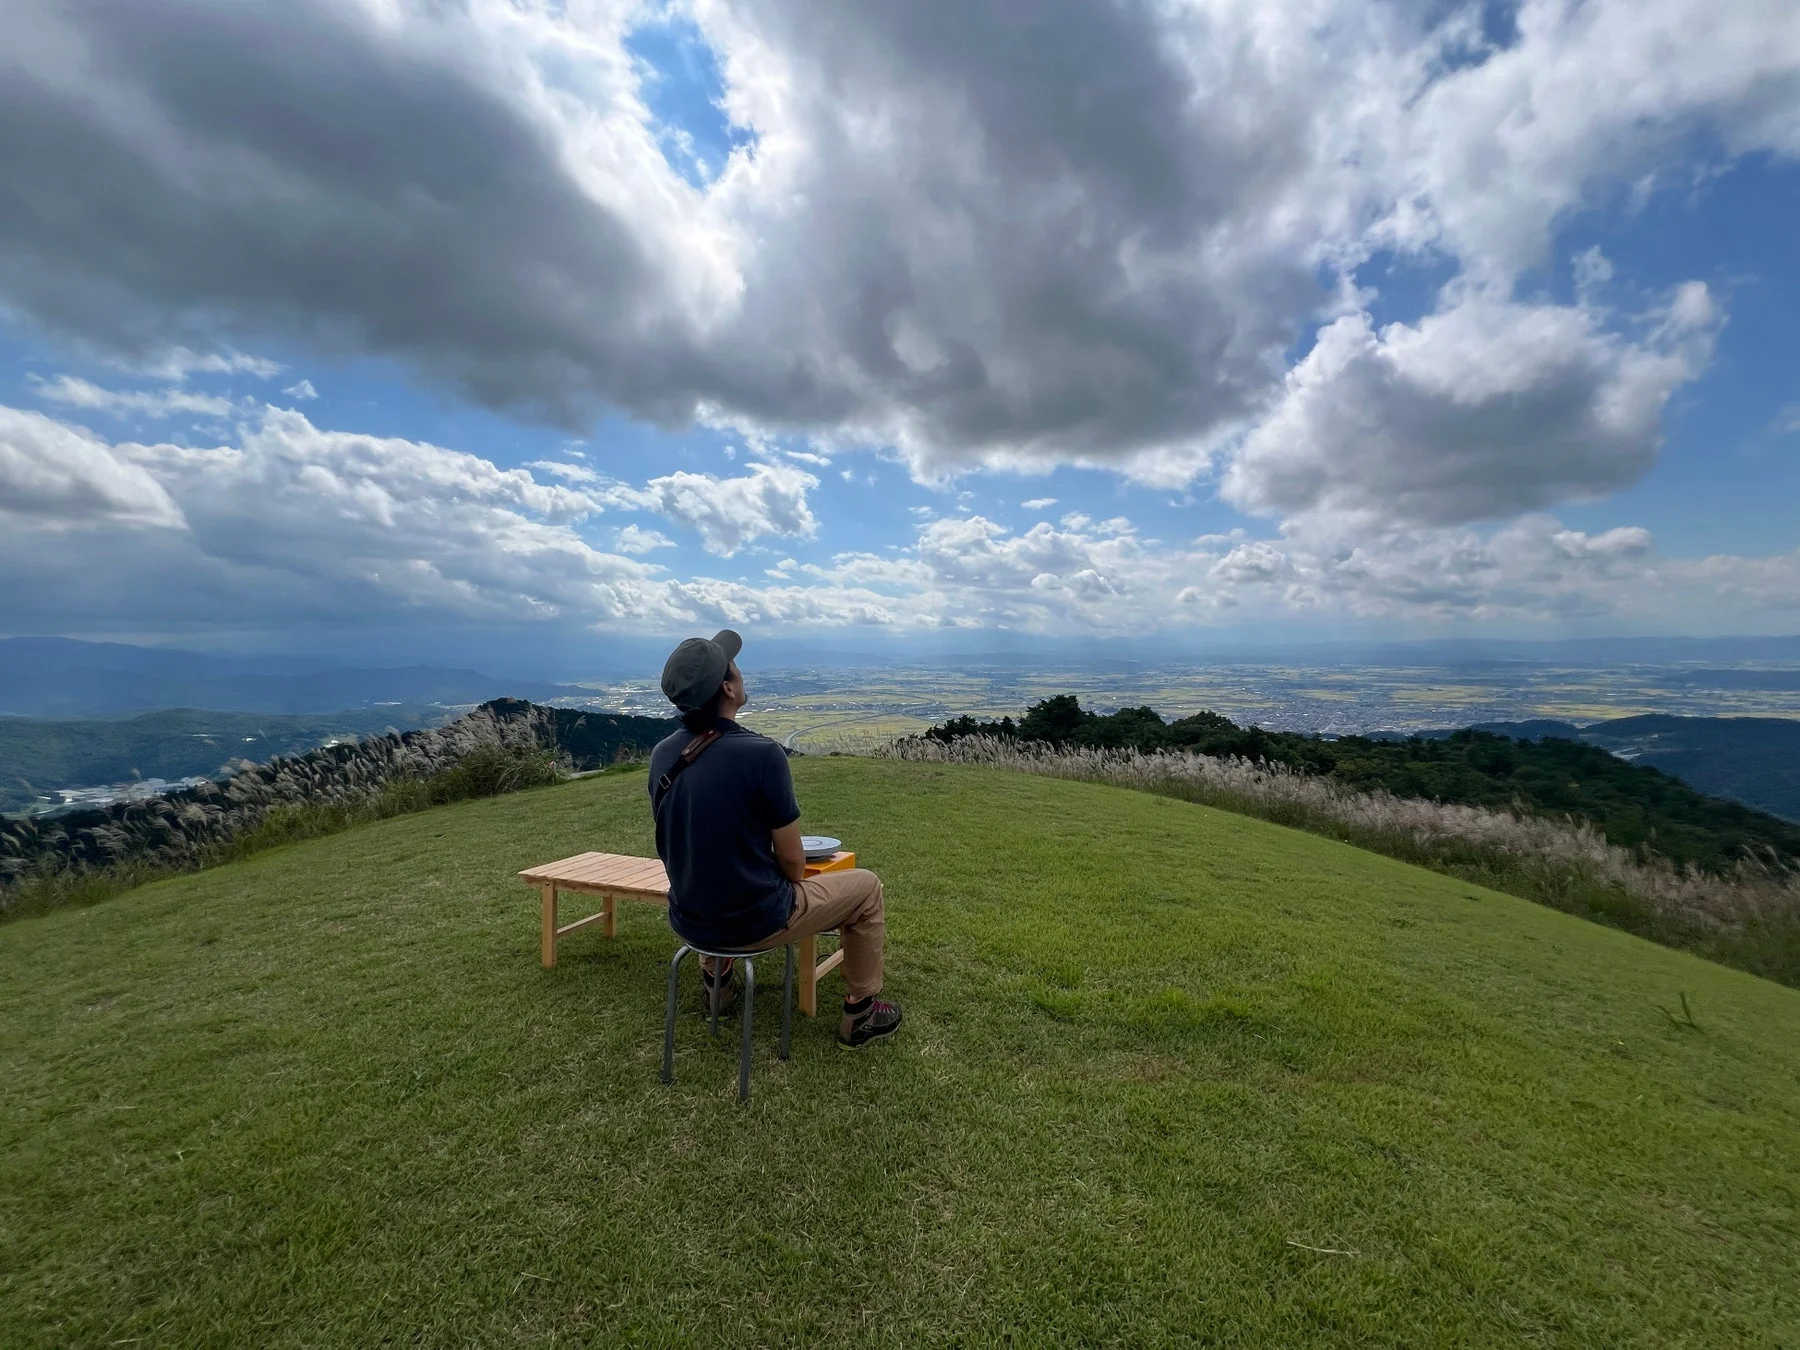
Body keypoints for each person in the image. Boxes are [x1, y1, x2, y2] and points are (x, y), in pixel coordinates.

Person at [648, 628, 902, 1049]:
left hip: (689, 917)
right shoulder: (762, 755)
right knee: (867, 887)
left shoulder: (661, 755)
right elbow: (794, 866)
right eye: (735, 666)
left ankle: (718, 982)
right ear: (727, 687)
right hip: (756, 920)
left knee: (716, 881)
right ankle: (861, 1013)